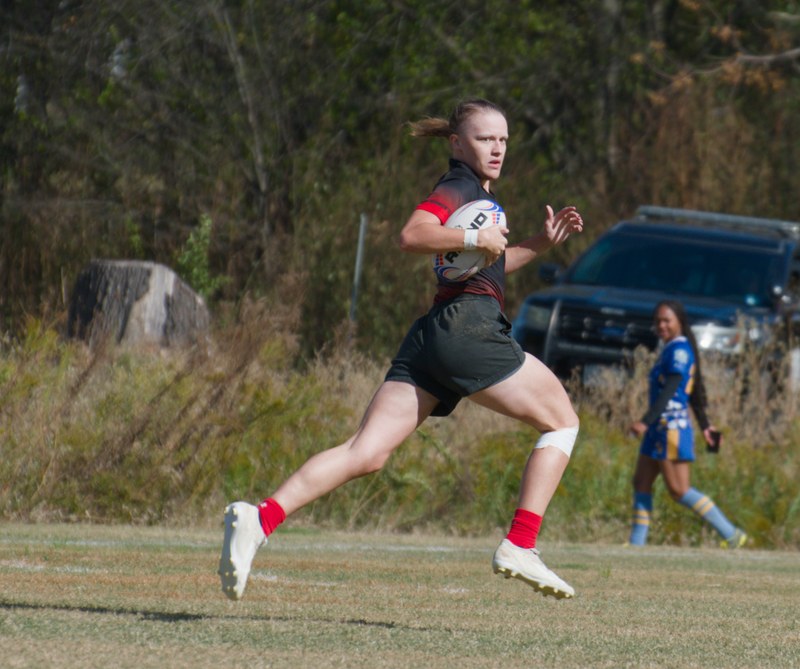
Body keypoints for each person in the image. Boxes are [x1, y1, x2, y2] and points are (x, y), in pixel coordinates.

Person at [219, 98, 585, 601]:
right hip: (468, 329)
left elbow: (486, 266)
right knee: (562, 421)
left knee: (365, 452)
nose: (496, 148)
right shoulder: (458, 185)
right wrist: (476, 233)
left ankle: (259, 519)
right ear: (458, 144)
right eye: (484, 139)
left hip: (435, 331)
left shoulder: (475, 193)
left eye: (502, 139)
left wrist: (538, 243)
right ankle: (521, 543)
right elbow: (412, 235)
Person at [628, 299, 747, 548]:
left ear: (679, 322)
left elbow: (672, 389)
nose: (661, 325)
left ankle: (732, 534)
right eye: (657, 320)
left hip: (670, 428)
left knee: (679, 490)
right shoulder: (670, 347)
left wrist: (645, 421)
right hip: (658, 430)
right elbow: (693, 391)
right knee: (641, 482)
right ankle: (636, 545)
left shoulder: (679, 350)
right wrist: (706, 426)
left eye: (666, 320)